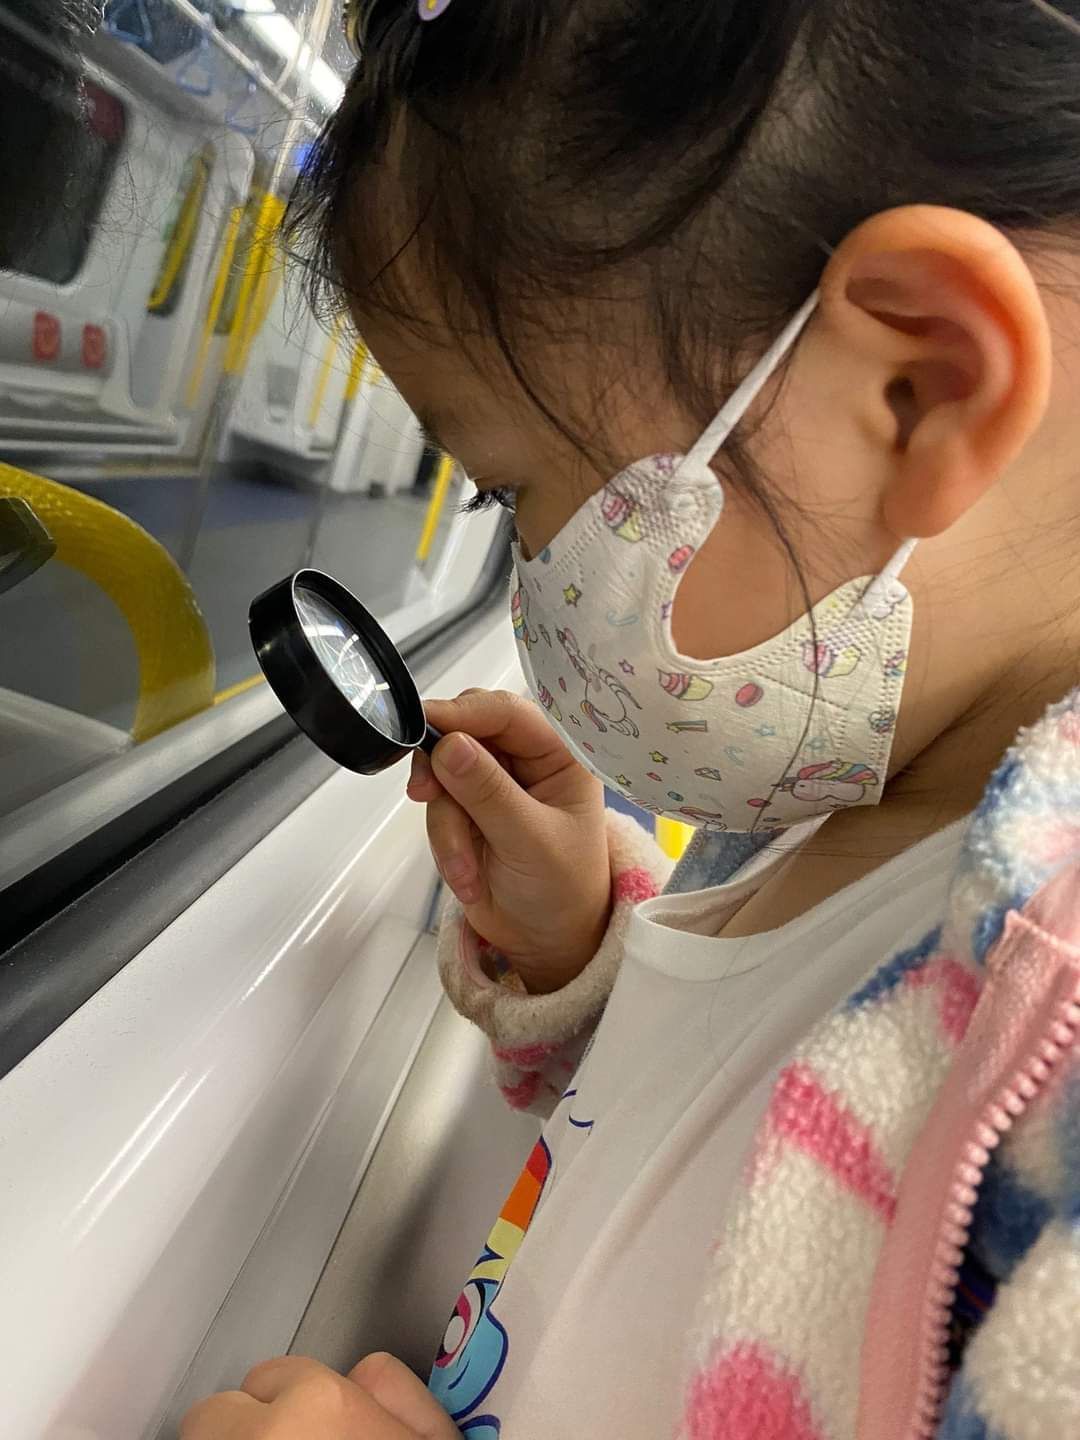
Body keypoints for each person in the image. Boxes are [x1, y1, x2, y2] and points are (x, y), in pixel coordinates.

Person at [183, 0, 1080, 1436]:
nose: (530, 581)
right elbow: (724, 1110)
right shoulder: (834, 797)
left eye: (516, 494)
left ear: (919, 389)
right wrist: (590, 943)